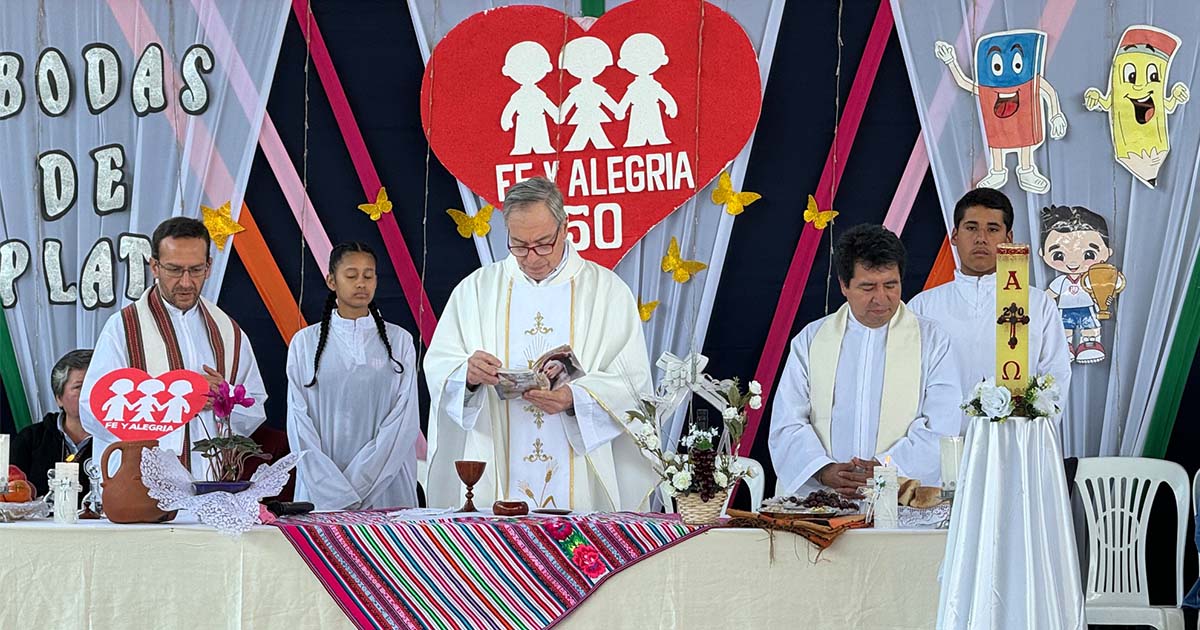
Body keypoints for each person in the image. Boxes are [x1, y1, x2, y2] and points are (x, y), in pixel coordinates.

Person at [424, 176, 657, 512]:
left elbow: (633, 385)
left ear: (565, 228)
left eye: (543, 243)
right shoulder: (476, 291)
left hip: (581, 469)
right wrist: (468, 375)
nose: (532, 257)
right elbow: (439, 367)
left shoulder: (607, 292)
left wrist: (575, 398)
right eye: (519, 245)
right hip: (498, 468)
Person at [769, 224, 962, 497]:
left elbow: (941, 424)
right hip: (824, 498)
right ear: (843, 285)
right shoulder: (812, 340)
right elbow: (788, 421)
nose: (881, 298)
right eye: (868, 287)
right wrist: (823, 470)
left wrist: (886, 469)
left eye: (890, 285)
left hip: (900, 496)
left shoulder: (932, 340)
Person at [80, 217, 267, 478]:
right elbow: (92, 407)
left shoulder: (228, 332)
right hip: (140, 486)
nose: (187, 282)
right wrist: (174, 397)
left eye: (196, 269)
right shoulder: (124, 327)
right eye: (175, 270)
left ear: (209, 266)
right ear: (154, 266)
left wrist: (225, 397)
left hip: (208, 482)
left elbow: (255, 406)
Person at [908, 188, 1071, 425]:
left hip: (1014, 445)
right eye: (971, 227)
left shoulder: (1037, 304)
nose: (981, 238)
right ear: (954, 235)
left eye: (993, 229)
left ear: (1009, 238)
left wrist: (1029, 435)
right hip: (940, 448)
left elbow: (1056, 378)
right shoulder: (923, 306)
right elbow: (908, 383)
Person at [286, 242, 420, 511]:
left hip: (386, 482)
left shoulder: (399, 341)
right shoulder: (304, 343)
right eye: (351, 275)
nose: (361, 283)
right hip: (321, 489)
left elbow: (403, 421)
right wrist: (333, 489)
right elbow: (299, 424)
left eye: (368, 276)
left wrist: (360, 483)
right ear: (331, 281)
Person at [13, 350, 94, 500]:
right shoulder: (31, 439)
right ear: (59, 398)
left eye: (96, 385)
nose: (90, 393)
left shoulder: (116, 441)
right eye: (80, 387)